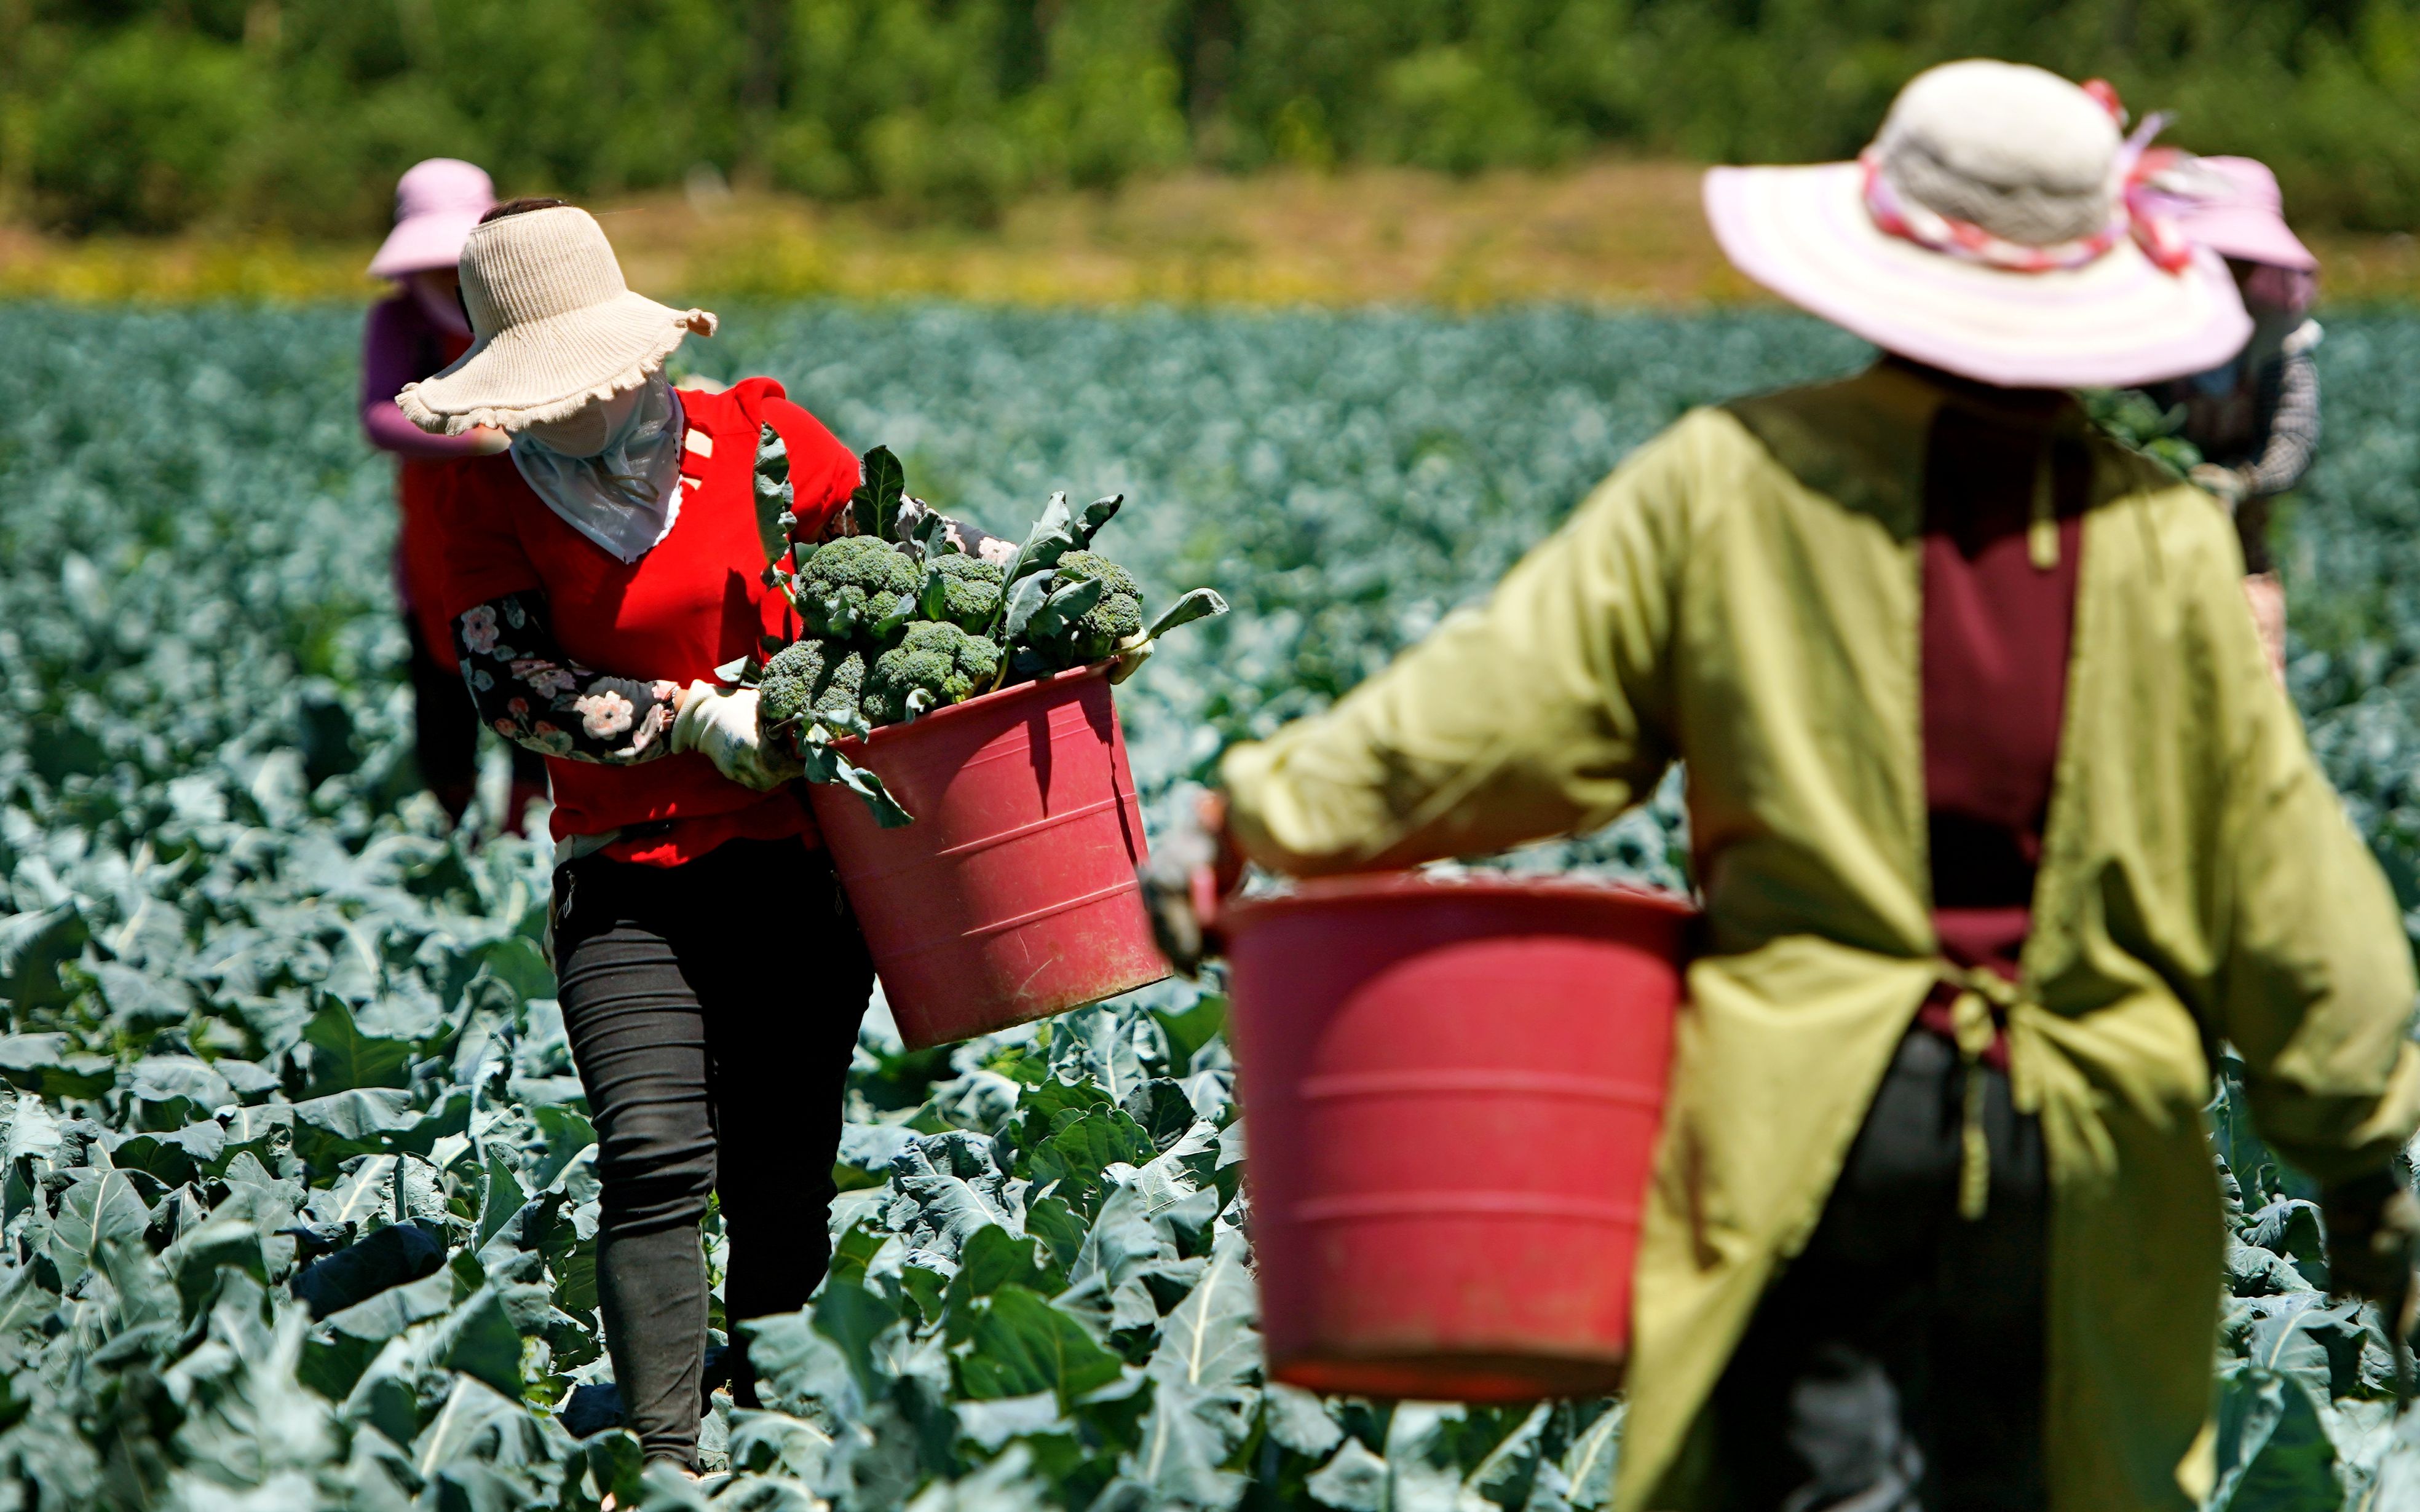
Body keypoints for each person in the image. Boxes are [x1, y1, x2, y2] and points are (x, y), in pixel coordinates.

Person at [1145, 61, 2420, 1512]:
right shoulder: (2168, 544)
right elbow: (2288, 890)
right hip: (2088, 1158)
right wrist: (2370, 1175)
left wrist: (1246, 813)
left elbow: (1488, 718)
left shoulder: (1734, 483)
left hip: (1813, 1131)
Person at [400, 198, 996, 1470]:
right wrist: (685, 722)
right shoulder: (487, 506)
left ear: (637, 356)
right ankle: (666, 1461)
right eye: (538, 391)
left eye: (585, 381)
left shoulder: (761, 437)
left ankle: (778, 1436)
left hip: (802, 868)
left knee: (784, 1169)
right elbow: (510, 684)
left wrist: (1043, 603)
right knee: (654, 1152)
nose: (566, 410)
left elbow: (921, 550)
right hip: (627, 880)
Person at [360, 158, 548, 830]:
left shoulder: (521, 309)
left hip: (527, 527)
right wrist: (471, 439)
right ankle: (457, 832)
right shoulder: (400, 324)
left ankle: (528, 826)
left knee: (533, 684)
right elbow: (378, 416)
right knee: (441, 700)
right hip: (433, 535)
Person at [2147, 156, 2324, 680]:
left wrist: (2243, 481)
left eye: (2245, 255)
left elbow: (2294, 440)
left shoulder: (2276, 342)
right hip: (2143, 558)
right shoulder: (2141, 335)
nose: (2234, 266)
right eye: (2222, 252)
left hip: (2240, 556)